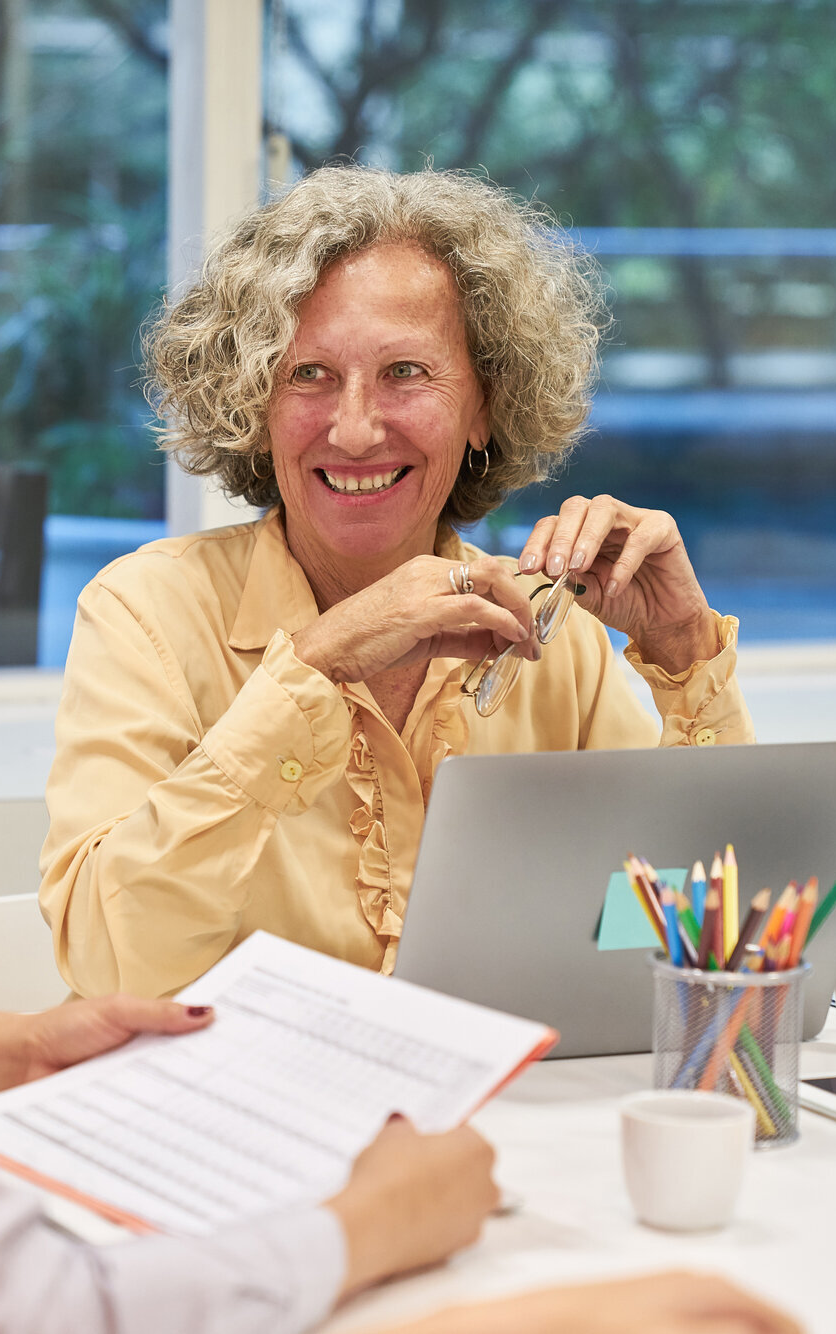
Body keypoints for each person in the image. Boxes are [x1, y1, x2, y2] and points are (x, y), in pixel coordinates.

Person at [0, 150, 797, 1334]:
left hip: (518, 1167)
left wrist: (685, 665)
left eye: (404, 373)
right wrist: (367, 1228)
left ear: (483, 402)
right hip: (262, 1205)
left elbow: (718, 932)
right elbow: (3, 1301)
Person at [41, 165, 756, 1001]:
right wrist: (310, 669)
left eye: (405, 373)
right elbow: (109, 962)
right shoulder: (148, 612)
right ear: (252, 402)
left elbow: (704, 943)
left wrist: (682, 647)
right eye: (307, 374)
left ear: (485, 404)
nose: (353, 429)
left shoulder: (550, 635)